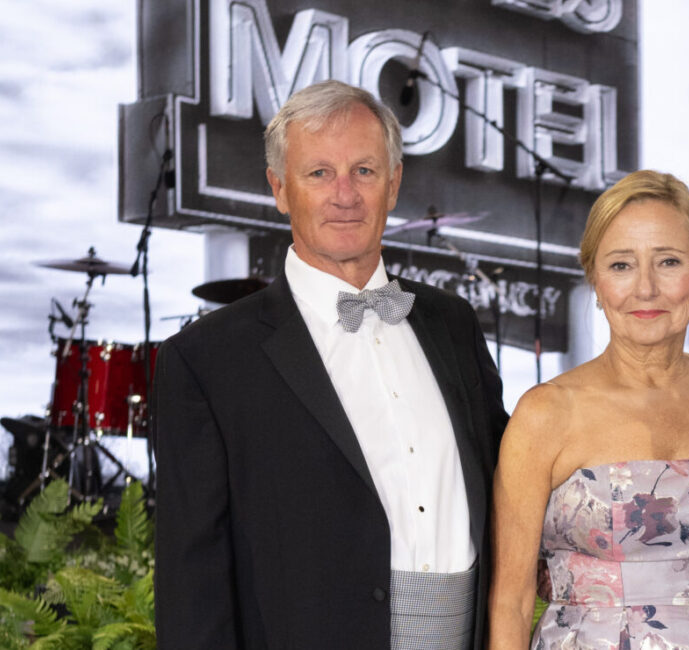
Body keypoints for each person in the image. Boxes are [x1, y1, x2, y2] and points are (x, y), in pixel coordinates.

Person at [155, 80, 508, 649]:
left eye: (364, 171)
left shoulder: (453, 325)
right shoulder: (206, 361)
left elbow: (506, 483)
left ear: (394, 185)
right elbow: (192, 584)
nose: (345, 194)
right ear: (279, 188)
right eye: (319, 173)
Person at [487, 170, 689, 649]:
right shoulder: (546, 413)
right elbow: (511, 601)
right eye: (621, 265)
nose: (646, 289)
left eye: (669, 261)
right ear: (594, 276)